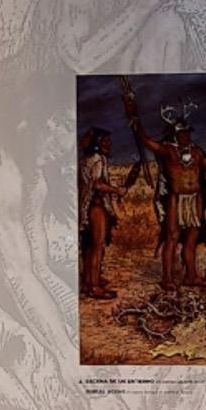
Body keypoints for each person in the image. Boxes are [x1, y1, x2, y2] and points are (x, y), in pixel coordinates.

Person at [124, 91, 206, 287]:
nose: (186, 135)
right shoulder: (168, 150)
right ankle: (167, 278)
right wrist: (135, 118)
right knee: (172, 236)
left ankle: (191, 276)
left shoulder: (197, 152)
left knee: (192, 239)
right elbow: (146, 140)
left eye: (188, 132)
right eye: (183, 132)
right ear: (175, 134)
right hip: (176, 199)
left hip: (195, 199)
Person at [79, 128, 128, 299]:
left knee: (89, 246)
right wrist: (117, 190)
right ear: (97, 143)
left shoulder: (86, 159)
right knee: (97, 246)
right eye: (105, 141)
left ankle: (88, 280)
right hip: (96, 206)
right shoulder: (99, 159)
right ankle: (94, 286)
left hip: (87, 207)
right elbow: (98, 184)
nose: (109, 144)